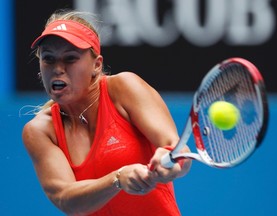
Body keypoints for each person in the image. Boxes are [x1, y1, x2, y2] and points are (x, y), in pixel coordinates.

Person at [22, 9, 192, 216]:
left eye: (70, 58)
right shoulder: (40, 131)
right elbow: (66, 199)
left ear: (97, 64)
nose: (58, 68)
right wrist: (117, 179)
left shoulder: (124, 88)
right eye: (49, 59)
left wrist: (171, 163)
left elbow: (176, 149)